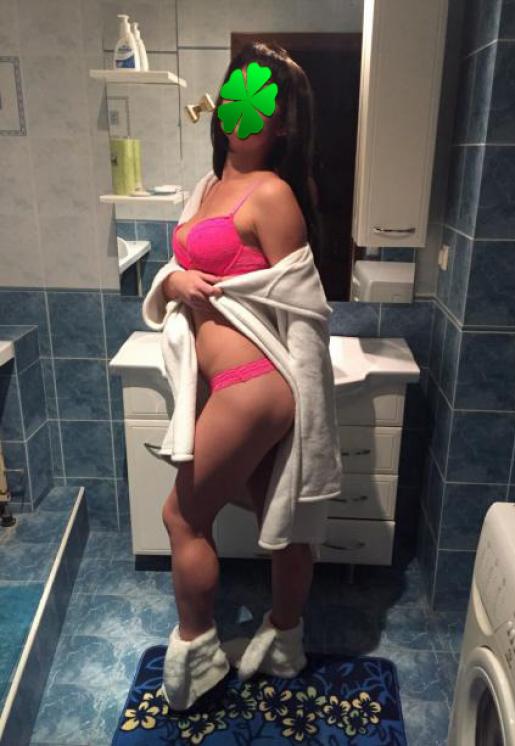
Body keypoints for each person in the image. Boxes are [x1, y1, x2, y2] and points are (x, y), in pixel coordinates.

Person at [155, 40, 328, 711]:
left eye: (260, 102)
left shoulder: (273, 194)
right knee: (277, 513)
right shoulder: (207, 188)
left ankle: (197, 651)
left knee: (182, 516)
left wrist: (311, 416)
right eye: (234, 94)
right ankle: (285, 639)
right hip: (229, 386)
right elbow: (184, 272)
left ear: (282, 124)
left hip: (254, 384)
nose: (240, 109)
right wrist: (174, 281)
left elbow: (304, 313)